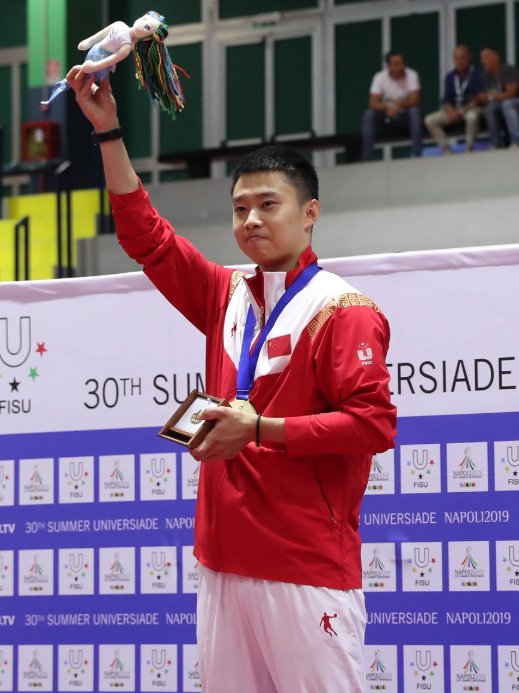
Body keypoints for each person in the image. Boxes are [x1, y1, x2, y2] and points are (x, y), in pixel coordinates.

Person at [66, 65, 396, 693]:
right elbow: (146, 238)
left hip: (303, 567)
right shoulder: (226, 294)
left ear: (310, 213)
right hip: (220, 563)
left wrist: (259, 429)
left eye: (268, 205)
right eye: (240, 208)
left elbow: (373, 425)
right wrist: (108, 132)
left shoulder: (344, 310)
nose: (251, 221)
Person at [362, 51, 422, 160]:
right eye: (396, 64)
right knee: (369, 115)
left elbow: (415, 101)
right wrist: (388, 107)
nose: (401, 67)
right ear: (389, 66)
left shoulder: (411, 75)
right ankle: (367, 157)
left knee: (415, 112)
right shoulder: (379, 77)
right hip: (386, 116)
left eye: (402, 63)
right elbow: (373, 103)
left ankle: (416, 154)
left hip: (404, 115)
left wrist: (400, 104)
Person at [425, 45, 483, 154]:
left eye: (462, 58)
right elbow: (445, 100)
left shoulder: (477, 74)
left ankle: (469, 148)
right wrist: (451, 111)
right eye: (456, 58)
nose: (459, 61)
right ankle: (446, 149)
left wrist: (461, 111)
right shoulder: (450, 76)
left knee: (472, 117)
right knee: (430, 120)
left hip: (469, 109)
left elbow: (478, 99)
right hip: (454, 110)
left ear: (468, 58)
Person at [479, 46, 519, 147]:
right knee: (490, 108)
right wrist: (487, 97)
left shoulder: (508, 70)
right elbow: (487, 95)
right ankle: (496, 143)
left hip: (515, 101)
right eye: (482, 58)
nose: (483, 61)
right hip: (502, 104)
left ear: (496, 57)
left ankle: (516, 140)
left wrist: (493, 96)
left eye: (486, 57)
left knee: (507, 104)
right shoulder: (485, 76)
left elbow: (511, 94)